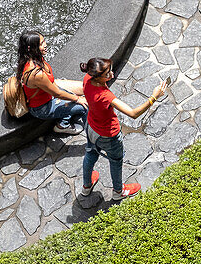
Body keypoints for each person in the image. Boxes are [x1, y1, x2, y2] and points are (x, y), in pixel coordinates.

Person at [80, 57, 168, 199]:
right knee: (115, 161)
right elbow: (133, 114)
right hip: (108, 135)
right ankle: (118, 192)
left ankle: (86, 185)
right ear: (97, 77)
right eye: (107, 74)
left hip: (91, 127)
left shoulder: (87, 79)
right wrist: (154, 97)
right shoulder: (105, 96)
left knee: (90, 154)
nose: (112, 74)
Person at [16, 30, 87, 135]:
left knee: (75, 96)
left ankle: (66, 116)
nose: (45, 45)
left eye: (44, 41)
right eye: (41, 44)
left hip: (48, 96)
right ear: (31, 48)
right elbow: (57, 93)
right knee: (85, 106)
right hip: (42, 108)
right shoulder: (36, 74)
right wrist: (77, 99)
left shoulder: (31, 58)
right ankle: (64, 126)